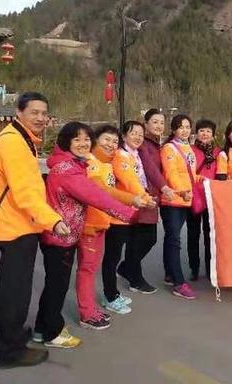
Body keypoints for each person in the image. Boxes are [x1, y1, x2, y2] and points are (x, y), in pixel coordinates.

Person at [34, 122, 135, 348]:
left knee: (55, 284)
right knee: (57, 287)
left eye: (87, 139)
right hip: (59, 236)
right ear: (66, 142)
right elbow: (96, 196)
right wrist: (128, 212)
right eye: (77, 139)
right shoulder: (67, 170)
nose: (83, 144)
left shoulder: (73, 164)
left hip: (65, 234)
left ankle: (42, 329)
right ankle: (52, 333)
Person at [0, 92, 69, 369]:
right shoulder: (13, 143)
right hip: (17, 228)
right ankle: (10, 352)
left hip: (20, 224)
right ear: (18, 112)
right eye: (34, 112)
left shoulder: (21, 140)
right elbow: (24, 193)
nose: (40, 118)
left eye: (44, 113)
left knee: (15, 289)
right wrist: (54, 221)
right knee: (15, 292)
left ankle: (13, 339)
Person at [78, 124, 147, 330]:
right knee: (89, 268)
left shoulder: (106, 163)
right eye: (107, 139)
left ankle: (97, 303)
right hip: (90, 224)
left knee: (98, 264)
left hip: (102, 221)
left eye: (114, 141)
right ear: (95, 140)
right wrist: (133, 200)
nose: (111, 144)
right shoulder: (91, 162)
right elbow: (104, 191)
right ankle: (90, 310)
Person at [118, 109, 176, 281]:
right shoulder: (144, 144)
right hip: (143, 195)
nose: (159, 125)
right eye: (155, 122)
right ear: (146, 123)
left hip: (151, 196)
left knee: (140, 238)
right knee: (145, 238)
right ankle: (132, 274)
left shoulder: (158, 144)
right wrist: (164, 187)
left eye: (161, 122)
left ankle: (128, 270)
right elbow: (150, 168)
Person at [111, 121, 158, 295]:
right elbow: (130, 180)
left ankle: (127, 269)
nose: (138, 137)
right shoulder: (121, 156)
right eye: (133, 133)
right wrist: (146, 197)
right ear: (124, 136)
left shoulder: (137, 154)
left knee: (146, 239)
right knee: (136, 241)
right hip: (129, 204)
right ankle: (134, 278)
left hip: (142, 201)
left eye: (140, 134)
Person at [160, 114, 202, 299]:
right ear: (174, 129)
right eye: (181, 127)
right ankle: (178, 282)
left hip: (185, 199)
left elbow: (191, 174)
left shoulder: (188, 148)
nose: (185, 130)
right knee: (174, 239)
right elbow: (171, 174)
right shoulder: (169, 148)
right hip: (173, 200)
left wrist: (207, 181)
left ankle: (170, 273)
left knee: (172, 238)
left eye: (187, 126)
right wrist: (183, 190)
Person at [187, 119, 220, 280]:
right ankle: (194, 268)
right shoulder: (189, 150)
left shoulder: (218, 153)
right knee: (193, 235)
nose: (204, 134)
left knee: (210, 235)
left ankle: (209, 268)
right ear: (196, 133)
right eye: (201, 131)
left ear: (213, 135)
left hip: (211, 199)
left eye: (208, 131)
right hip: (193, 197)